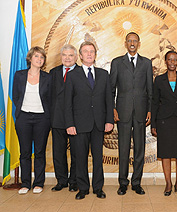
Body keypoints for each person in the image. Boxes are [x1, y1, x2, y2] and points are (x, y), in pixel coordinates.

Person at [64, 41, 114, 200]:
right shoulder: (72, 75)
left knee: (98, 158)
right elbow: (68, 103)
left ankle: (98, 188)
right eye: (86, 51)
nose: (89, 54)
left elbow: (108, 100)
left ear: (95, 54)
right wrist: (69, 124)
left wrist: (109, 120)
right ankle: (83, 188)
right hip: (79, 124)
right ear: (80, 55)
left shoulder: (103, 74)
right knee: (80, 157)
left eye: (92, 51)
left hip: (99, 124)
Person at [110, 32, 153, 195]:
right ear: (125, 43)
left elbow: (150, 90)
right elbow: (111, 89)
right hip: (122, 112)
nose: (132, 43)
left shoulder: (146, 63)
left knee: (140, 149)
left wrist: (149, 110)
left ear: (139, 43)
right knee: (123, 148)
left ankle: (136, 182)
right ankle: (122, 182)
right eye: (129, 41)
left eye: (135, 41)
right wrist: (113, 109)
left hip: (141, 112)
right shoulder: (117, 63)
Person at [151, 51, 177, 197]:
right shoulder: (159, 80)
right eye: (169, 59)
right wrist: (154, 125)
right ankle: (168, 183)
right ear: (165, 61)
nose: (172, 62)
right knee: (166, 154)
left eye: (175, 60)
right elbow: (155, 103)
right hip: (164, 121)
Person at [13, 46, 52, 195]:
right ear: (30, 58)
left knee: (40, 152)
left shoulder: (47, 77)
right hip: (24, 117)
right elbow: (15, 96)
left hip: (42, 118)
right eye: (36, 56)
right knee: (25, 152)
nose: (39, 60)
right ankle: (26, 183)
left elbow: (50, 99)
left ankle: (39, 183)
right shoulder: (19, 75)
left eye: (42, 57)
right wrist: (23, 111)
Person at [50, 44, 79, 192]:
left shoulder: (81, 72)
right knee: (58, 152)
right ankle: (61, 181)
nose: (67, 58)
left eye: (70, 55)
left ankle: (74, 181)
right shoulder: (53, 73)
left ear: (76, 57)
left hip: (76, 120)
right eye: (64, 55)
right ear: (61, 57)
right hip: (57, 119)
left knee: (76, 152)